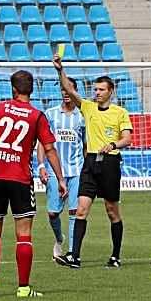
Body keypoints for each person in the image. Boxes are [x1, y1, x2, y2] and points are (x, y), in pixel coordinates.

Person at [0, 70, 67, 297]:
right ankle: (23, 287)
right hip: (20, 179)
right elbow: (49, 149)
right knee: (23, 234)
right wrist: (60, 179)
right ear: (32, 90)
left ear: (13, 88)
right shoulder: (37, 116)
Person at [51, 53, 133, 269]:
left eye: (101, 90)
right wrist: (60, 70)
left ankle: (115, 256)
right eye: (95, 90)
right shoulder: (87, 107)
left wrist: (113, 145)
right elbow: (69, 89)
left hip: (110, 163)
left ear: (111, 92)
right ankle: (74, 256)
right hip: (90, 163)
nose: (97, 93)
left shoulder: (120, 113)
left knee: (111, 211)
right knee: (81, 210)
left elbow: (127, 138)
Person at [38, 76, 85, 260]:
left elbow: (86, 146)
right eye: (63, 90)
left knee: (75, 212)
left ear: (75, 92)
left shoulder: (83, 116)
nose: (65, 93)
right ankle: (59, 239)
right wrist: (41, 165)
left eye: (69, 90)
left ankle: (72, 253)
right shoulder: (50, 114)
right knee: (52, 213)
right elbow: (42, 142)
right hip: (53, 171)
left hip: (77, 171)